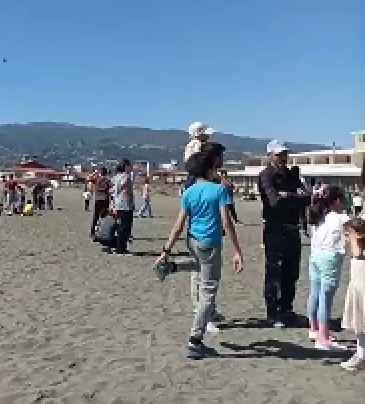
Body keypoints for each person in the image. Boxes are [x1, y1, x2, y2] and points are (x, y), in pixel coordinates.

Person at [153, 142, 243, 359]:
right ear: (211, 166)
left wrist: (166, 251)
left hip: (193, 241)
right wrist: (237, 250)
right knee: (208, 294)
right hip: (211, 243)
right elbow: (227, 221)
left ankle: (172, 266)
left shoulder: (189, 192)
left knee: (198, 264)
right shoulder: (219, 190)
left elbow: (178, 225)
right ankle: (195, 341)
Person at [258, 140, 310, 327]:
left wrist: (289, 196)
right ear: (270, 155)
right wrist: (294, 197)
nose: (283, 158)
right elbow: (274, 201)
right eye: (279, 154)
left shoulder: (292, 174)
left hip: (293, 228)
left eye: (285, 154)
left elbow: (307, 197)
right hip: (274, 229)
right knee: (274, 273)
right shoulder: (266, 175)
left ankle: (286, 310)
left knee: (291, 273)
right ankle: (273, 313)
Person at [306, 186, 350, 350]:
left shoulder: (318, 215)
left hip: (315, 255)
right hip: (330, 257)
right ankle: (323, 338)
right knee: (326, 298)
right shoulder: (341, 218)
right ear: (337, 201)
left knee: (315, 293)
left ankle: (314, 329)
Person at [340, 217, 365, 371]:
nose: (346, 238)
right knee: (359, 326)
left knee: (361, 325)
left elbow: (358, 253)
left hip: (362, 292)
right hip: (357, 290)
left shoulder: (360, 251)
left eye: (348, 235)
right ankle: (360, 354)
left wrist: (357, 237)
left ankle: (361, 356)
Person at [112, 160, 135, 254]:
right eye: (130, 165)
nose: (131, 167)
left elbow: (113, 190)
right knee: (125, 227)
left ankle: (120, 247)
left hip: (118, 204)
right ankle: (121, 248)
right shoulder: (126, 176)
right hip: (125, 205)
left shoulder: (116, 176)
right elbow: (125, 189)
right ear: (126, 166)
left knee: (121, 227)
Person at [184, 122, 214, 189]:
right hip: (197, 173)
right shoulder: (198, 144)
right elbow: (199, 159)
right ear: (199, 134)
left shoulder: (190, 144)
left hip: (192, 173)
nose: (208, 136)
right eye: (206, 134)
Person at [90, 167, 111, 239]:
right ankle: (102, 232)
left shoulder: (97, 179)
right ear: (106, 173)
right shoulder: (108, 180)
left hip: (97, 199)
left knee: (95, 217)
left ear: (100, 173)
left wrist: (95, 173)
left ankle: (92, 232)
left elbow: (88, 178)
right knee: (103, 217)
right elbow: (112, 188)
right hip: (105, 200)